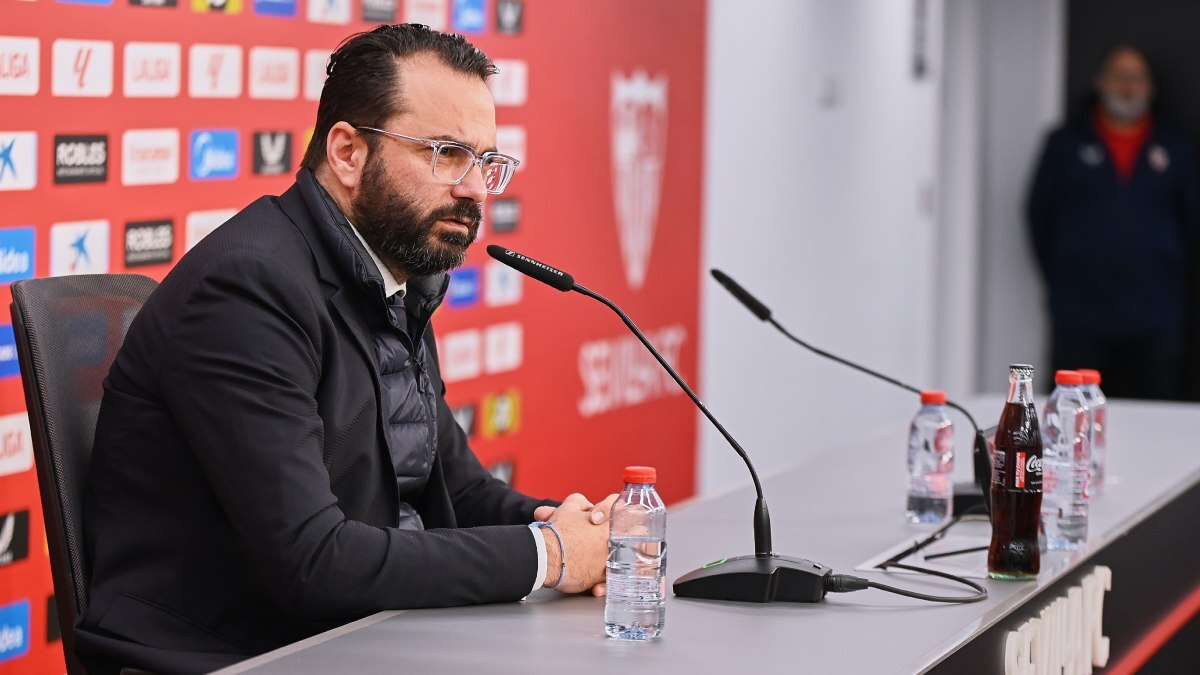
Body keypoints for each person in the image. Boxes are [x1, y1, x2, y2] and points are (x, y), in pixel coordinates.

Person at [76, 25, 614, 674]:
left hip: (357, 639)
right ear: (348, 152)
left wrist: (576, 528)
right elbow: (313, 562)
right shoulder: (248, 289)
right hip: (229, 656)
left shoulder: (397, 277)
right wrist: (549, 556)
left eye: (486, 162)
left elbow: (456, 488)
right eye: (446, 153)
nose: (475, 188)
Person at [1028, 44, 1198, 400]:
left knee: (1155, 409)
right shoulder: (1065, 143)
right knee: (1072, 411)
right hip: (1080, 310)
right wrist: (1069, 266)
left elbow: (1191, 220)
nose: (1127, 86)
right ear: (1101, 83)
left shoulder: (1175, 146)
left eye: (1136, 78)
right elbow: (1040, 217)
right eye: (1119, 76)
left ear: (1150, 88)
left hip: (1155, 311)